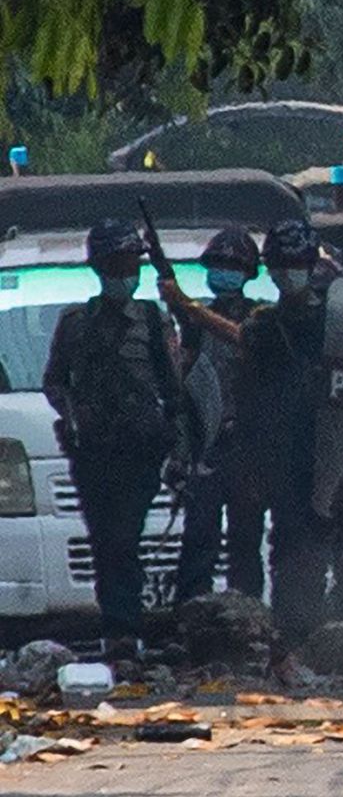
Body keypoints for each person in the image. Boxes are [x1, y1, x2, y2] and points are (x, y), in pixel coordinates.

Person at [41, 221, 182, 656]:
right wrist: (74, 416)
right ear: (100, 269)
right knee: (106, 540)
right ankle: (118, 628)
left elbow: (173, 389)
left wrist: (177, 447)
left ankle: (126, 625)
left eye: (130, 265)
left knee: (123, 536)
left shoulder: (153, 321)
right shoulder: (76, 323)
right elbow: (54, 382)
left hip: (140, 451)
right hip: (93, 453)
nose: (126, 274)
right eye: (117, 265)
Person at [235, 220, 336, 654]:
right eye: (280, 263)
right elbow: (248, 397)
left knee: (337, 544)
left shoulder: (338, 319)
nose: (287, 272)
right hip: (281, 448)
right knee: (289, 539)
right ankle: (292, 629)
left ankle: (333, 627)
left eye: (296, 263)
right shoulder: (262, 327)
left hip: (331, 445)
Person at [169, 227, 268, 604]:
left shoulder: (260, 318)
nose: (225, 271)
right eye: (219, 264)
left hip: (246, 445)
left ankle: (247, 615)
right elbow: (185, 378)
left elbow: (243, 339)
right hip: (206, 445)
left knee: (245, 539)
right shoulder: (195, 321)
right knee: (199, 536)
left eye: (233, 265)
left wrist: (189, 309)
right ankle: (191, 615)